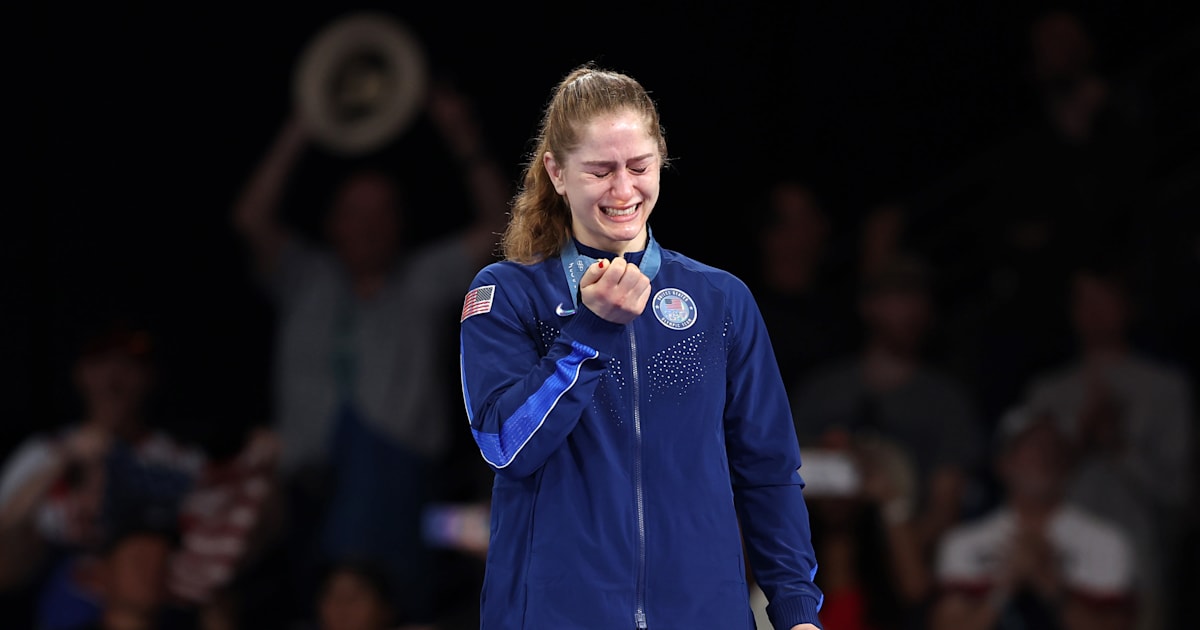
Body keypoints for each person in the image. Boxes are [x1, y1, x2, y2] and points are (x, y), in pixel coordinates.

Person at [458, 64, 823, 630]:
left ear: (661, 160)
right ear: (557, 172)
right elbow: (505, 443)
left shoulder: (720, 298)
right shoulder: (506, 294)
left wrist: (797, 610)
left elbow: (768, 470)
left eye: (639, 166)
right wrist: (591, 329)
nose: (624, 190)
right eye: (600, 170)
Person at [231, 77, 508, 625]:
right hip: (305, 488)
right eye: (355, 212)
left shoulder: (420, 281)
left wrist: (462, 139)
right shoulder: (305, 276)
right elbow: (250, 219)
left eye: (382, 212)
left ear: (399, 225)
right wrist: (303, 125)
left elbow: (502, 231)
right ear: (332, 224)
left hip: (395, 488)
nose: (369, 225)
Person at [0, 322, 204, 626]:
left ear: (150, 377)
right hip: (54, 593)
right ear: (80, 373)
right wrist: (63, 460)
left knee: (142, 560)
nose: (113, 379)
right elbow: (6, 532)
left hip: (148, 595)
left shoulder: (177, 458)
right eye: (101, 363)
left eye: (128, 365)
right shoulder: (47, 450)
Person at [790, 254, 986, 556]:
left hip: (902, 560)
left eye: (920, 298)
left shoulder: (945, 399)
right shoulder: (824, 389)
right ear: (868, 305)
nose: (913, 311)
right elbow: (782, 481)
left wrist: (895, 561)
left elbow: (944, 509)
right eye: (899, 296)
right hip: (816, 555)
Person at [930, 406, 1137, 630]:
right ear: (1003, 463)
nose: (1042, 456)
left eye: (1052, 448)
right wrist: (1005, 587)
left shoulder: (1105, 541)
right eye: (1030, 447)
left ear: (1067, 464)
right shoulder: (963, 542)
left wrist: (1049, 583)